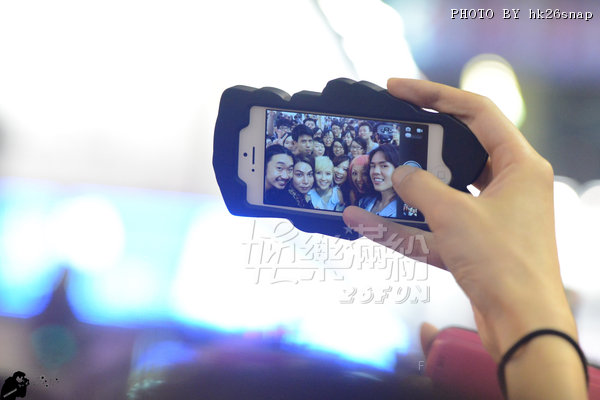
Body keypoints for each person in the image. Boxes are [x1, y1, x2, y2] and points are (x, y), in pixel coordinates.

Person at [343, 78, 587, 399]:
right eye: (372, 166)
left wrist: (528, 328)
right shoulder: (366, 200)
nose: (377, 172)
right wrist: (531, 334)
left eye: (384, 165)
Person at [358, 144, 401, 217]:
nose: (375, 171)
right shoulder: (364, 202)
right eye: (373, 166)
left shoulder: (404, 211)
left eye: (384, 166)